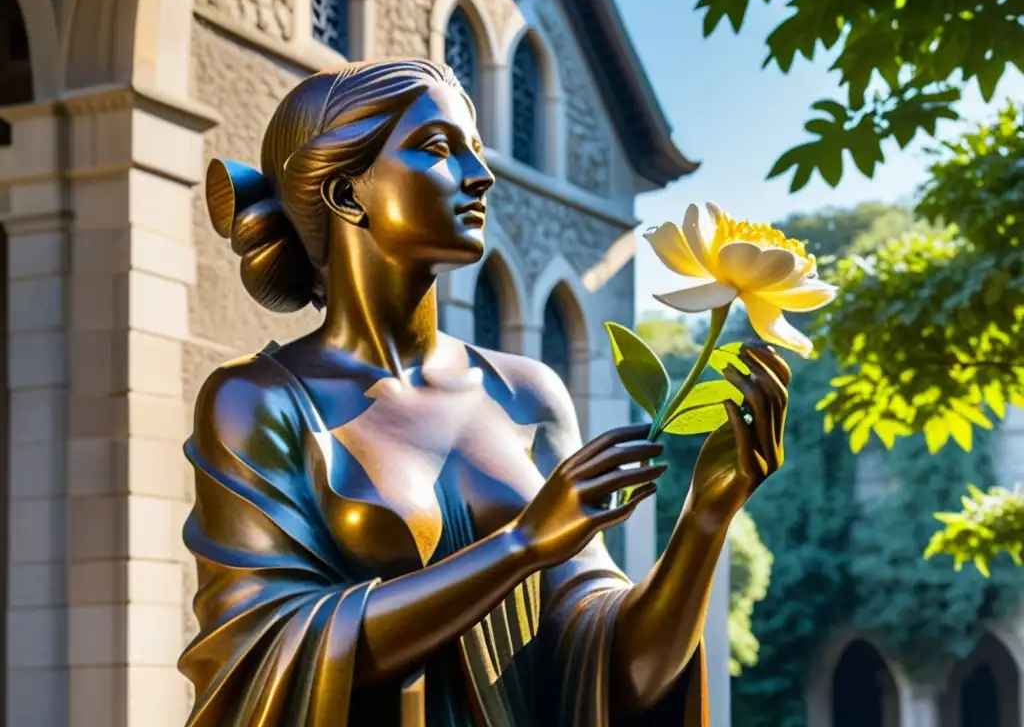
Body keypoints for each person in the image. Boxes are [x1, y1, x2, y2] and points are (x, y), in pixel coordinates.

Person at [179, 59, 790, 726]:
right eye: (439, 148)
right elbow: (263, 653)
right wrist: (521, 544)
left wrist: (705, 519)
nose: (482, 174)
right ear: (349, 194)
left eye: (474, 146)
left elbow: (617, 674)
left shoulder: (527, 393)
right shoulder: (257, 401)